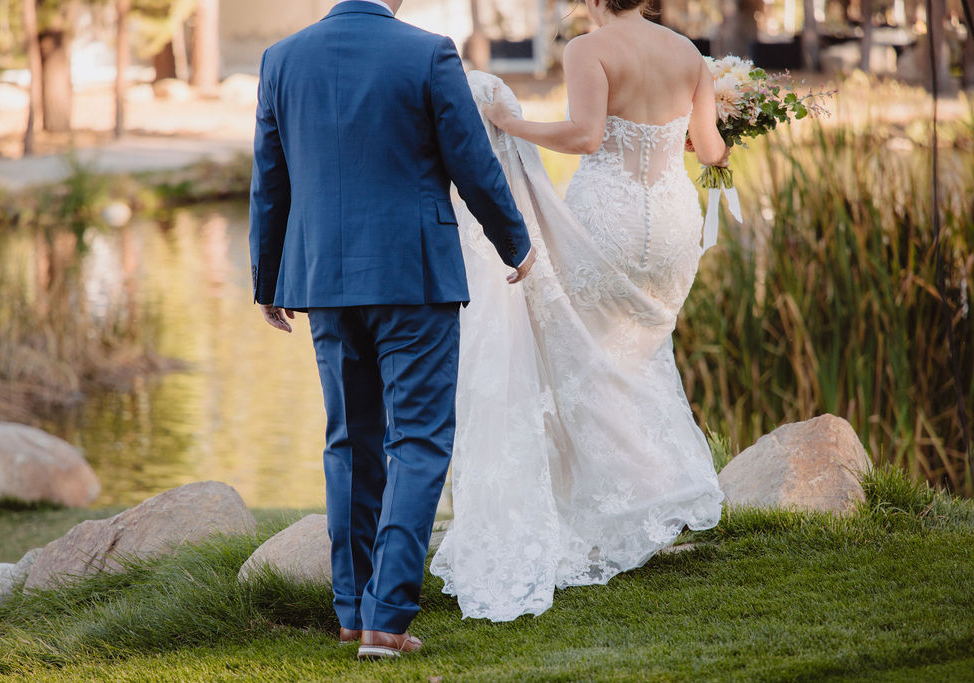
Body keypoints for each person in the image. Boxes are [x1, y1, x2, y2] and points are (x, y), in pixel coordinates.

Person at [249, 0, 535, 657]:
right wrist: (514, 241)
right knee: (419, 438)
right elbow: (471, 162)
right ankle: (387, 619)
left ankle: (352, 612)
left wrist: (267, 279)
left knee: (351, 439)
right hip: (413, 273)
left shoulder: (281, 59)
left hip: (323, 278)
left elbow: (271, 180)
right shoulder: (427, 52)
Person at [429, 0, 730, 621]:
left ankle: (612, 501)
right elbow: (710, 151)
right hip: (673, 220)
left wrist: (509, 125)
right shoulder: (687, 53)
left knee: (583, 353)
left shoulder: (587, 49)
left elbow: (583, 137)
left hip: (610, 220)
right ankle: (655, 489)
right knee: (642, 351)